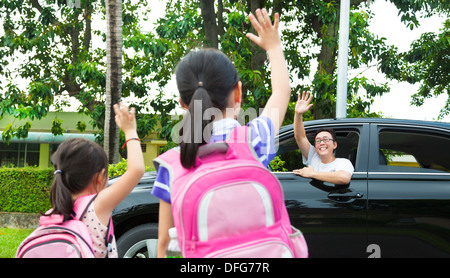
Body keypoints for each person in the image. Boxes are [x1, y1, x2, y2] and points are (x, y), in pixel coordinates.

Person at [151, 8, 291, 258]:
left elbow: (165, 243)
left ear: (184, 103)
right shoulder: (255, 140)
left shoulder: (172, 165)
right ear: (238, 93)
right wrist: (273, 48)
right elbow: (281, 92)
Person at [47, 102, 145, 258]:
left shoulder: (52, 214)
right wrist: (130, 131)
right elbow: (136, 169)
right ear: (100, 177)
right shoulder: (97, 205)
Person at [292, 91, 354, 184]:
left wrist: (312, 174)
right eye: (318, 140)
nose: (321, 143)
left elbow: (343, 178)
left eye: (326, 139)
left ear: (335, 144)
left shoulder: (343, 163)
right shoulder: (313, 157)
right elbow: (300, 137)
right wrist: (298, 114)